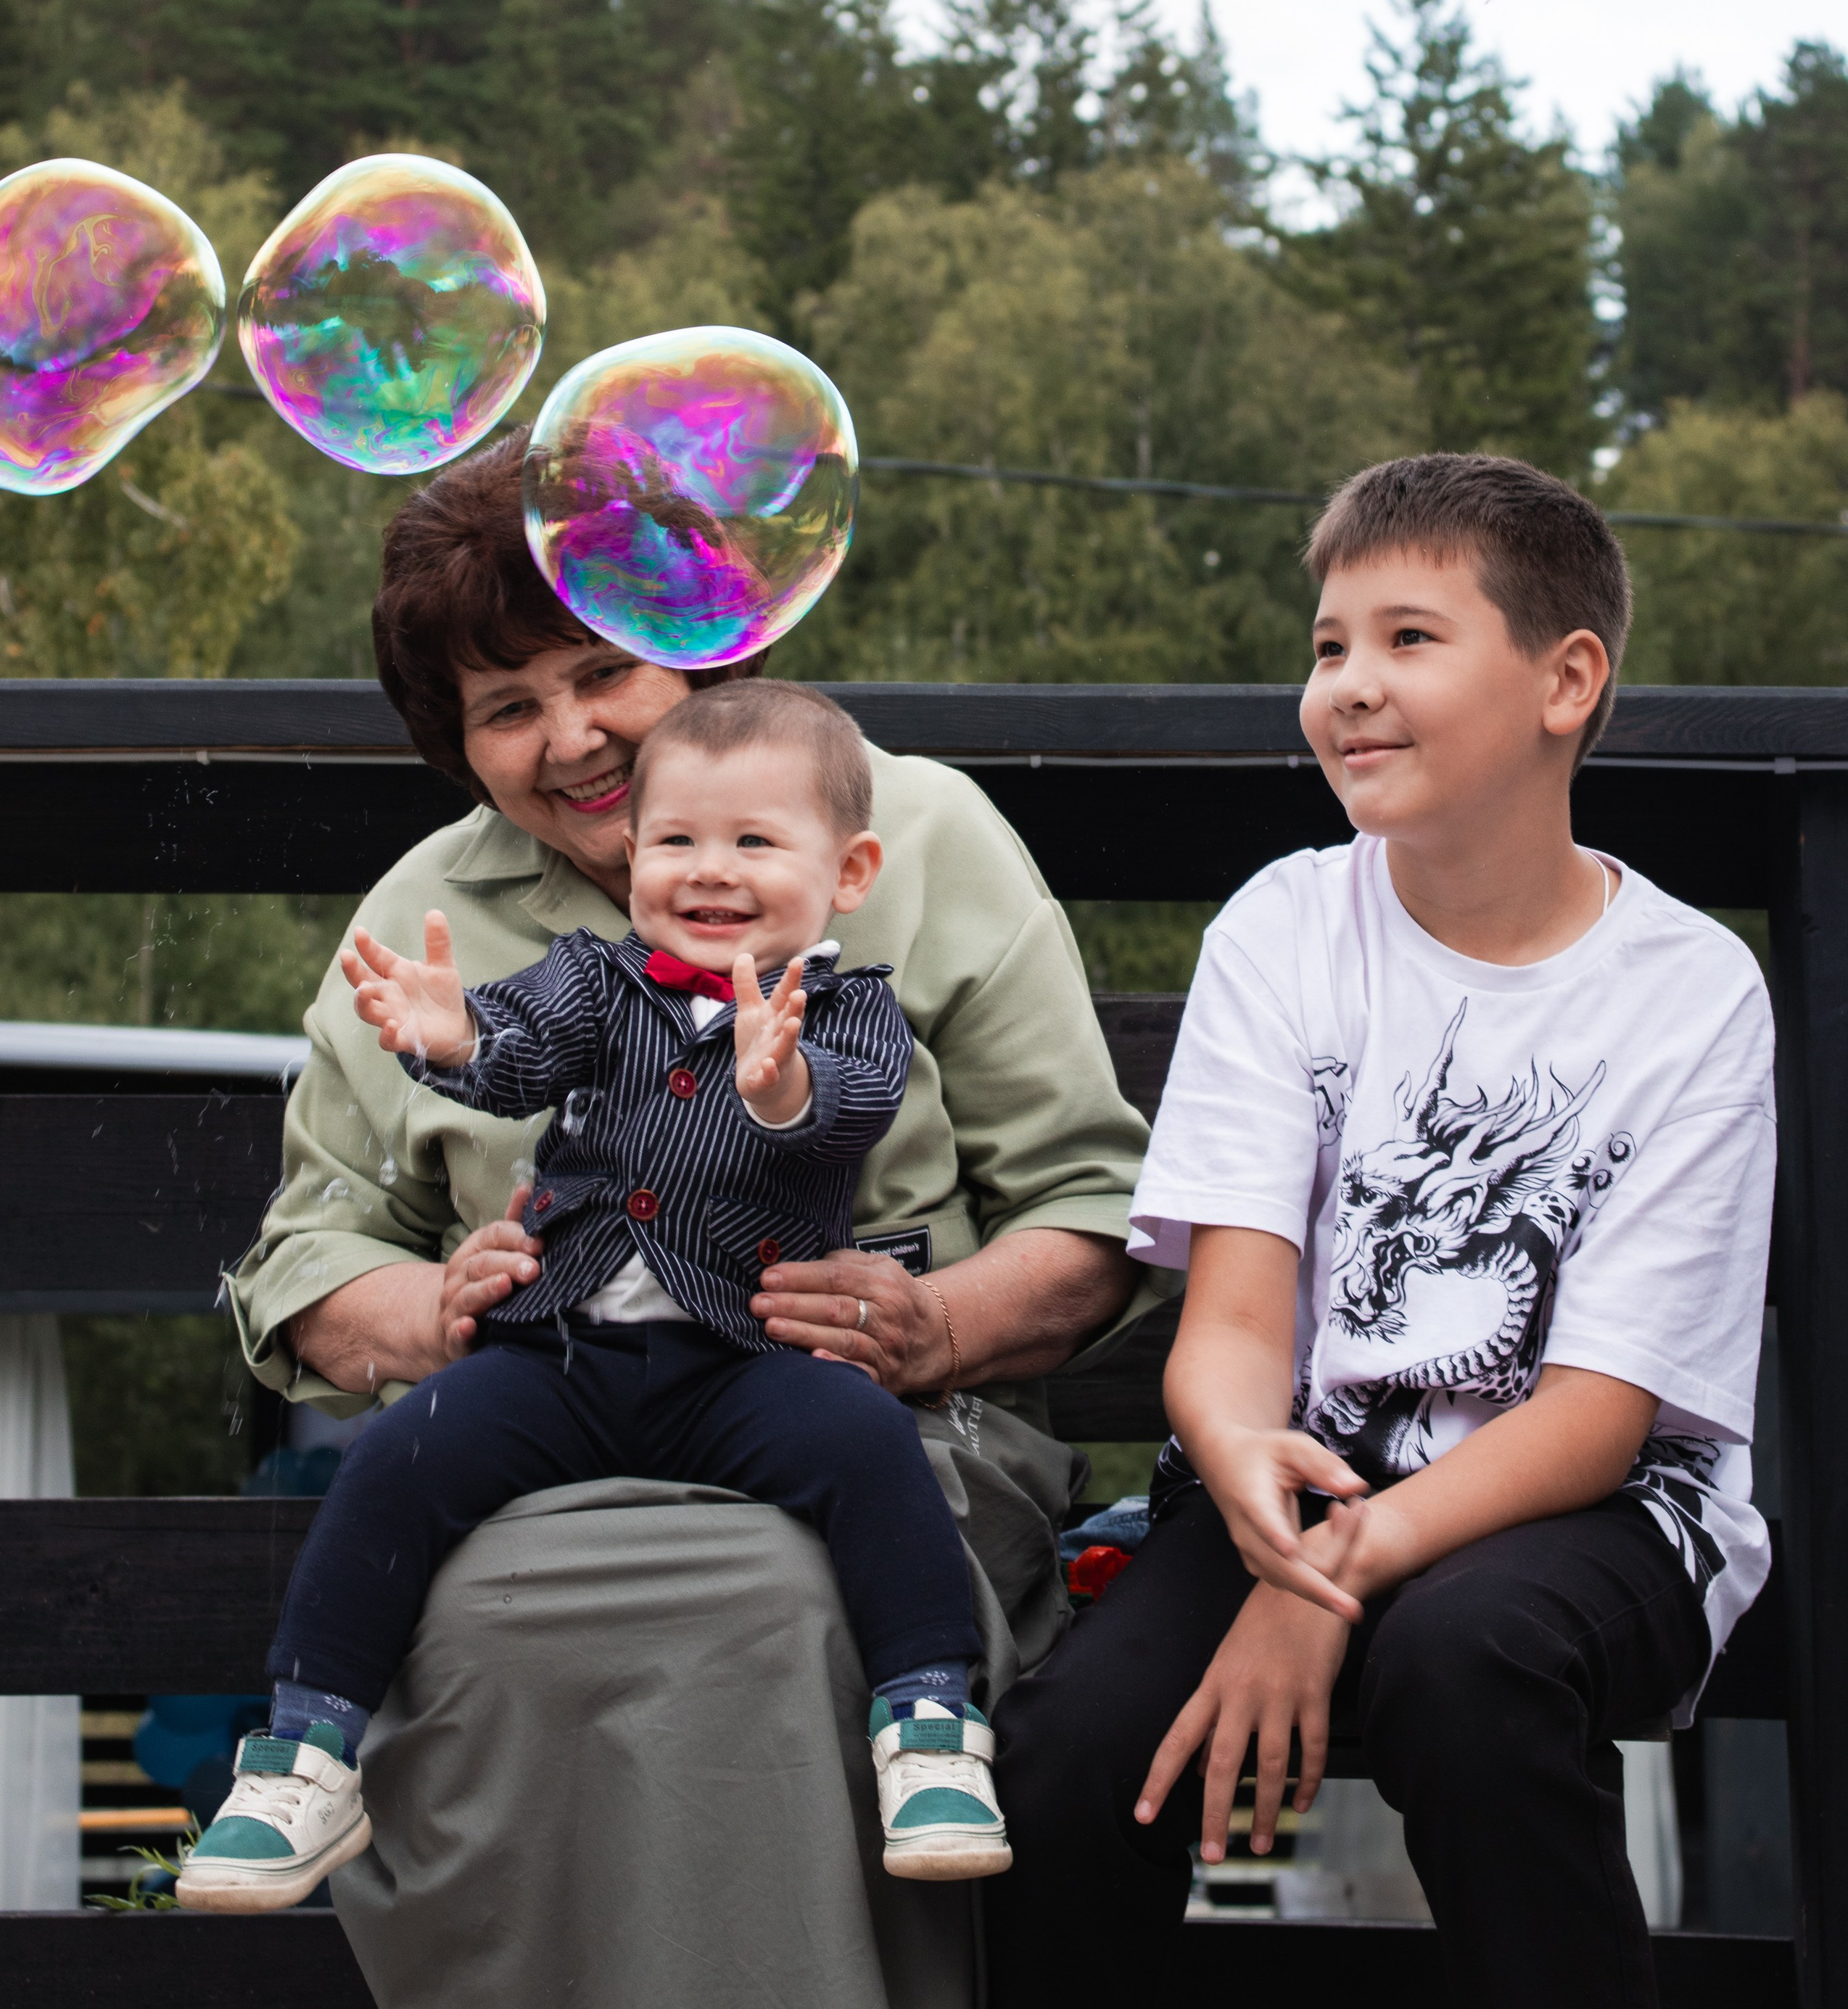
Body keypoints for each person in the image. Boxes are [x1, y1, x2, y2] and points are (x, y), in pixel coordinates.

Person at [225, 428, 1151, 2009]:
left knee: (774, 1611)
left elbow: (1086, 1206)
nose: (572, 736)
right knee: (489, 1631)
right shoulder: (419, 917)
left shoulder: (915, 835)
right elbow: (308, 1253)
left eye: (603, 671)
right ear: (460, 746)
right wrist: (431, 1312)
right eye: (507, 707)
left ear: (695, 643)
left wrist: (937, 1328)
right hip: (539, 1434)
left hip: (881, 1446)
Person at [989, 452, 1775, 2008]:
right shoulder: (1284, 929)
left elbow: (1598, 1418)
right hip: (1288, 1484)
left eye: (1406, 638)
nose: (1347, 683)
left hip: (1594, 1512)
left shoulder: (1689, 994)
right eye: (1325, 645)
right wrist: (1251, 1500)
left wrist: (1309, 1592)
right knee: (1077, 1753)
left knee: (1459, 1667)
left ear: (1563, 681)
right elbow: (1230, 1327)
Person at [185, 682, 1008, 1910]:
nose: (710, 873)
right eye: (675, 843)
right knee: (398, 1457)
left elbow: (843, 1113)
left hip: (747, 1363)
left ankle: (933, 1733)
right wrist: (445, 1036)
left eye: (754, 845)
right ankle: (303, 1754)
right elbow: (519, 1050)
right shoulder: (597, 982)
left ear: (850, 874)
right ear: (633, 863)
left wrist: (773, 1087)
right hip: (562, 1357)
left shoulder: (846, 1008)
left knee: (868, 1447)